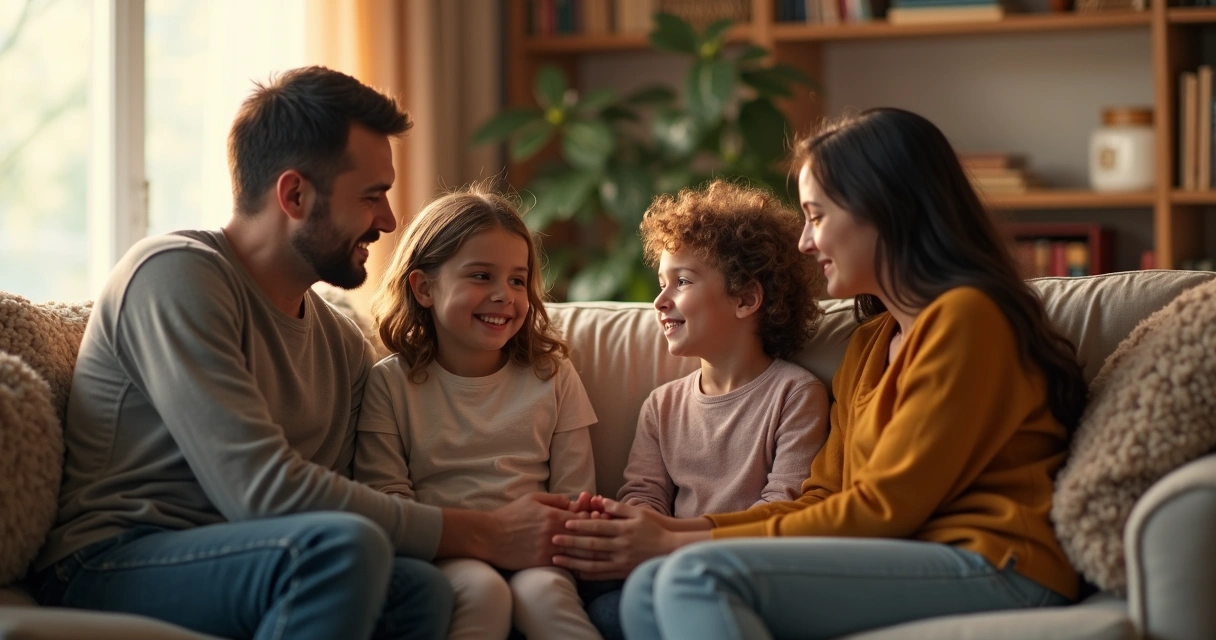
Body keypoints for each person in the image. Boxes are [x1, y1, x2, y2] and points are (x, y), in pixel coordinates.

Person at [29, 66, 577, 640]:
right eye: (372, 196)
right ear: (294, 194)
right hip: (112, 560)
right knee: (342, 549)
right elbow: (263, 492)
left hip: (267, 559)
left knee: (421, 588)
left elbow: (349, 498)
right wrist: (484, 531)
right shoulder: (175, 275)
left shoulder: (341, 346)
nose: (389, 222)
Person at [554, 107, 1089, 640]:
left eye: (817, 215)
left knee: (692, 576)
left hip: (997, 562)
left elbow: (882, 509)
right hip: (911, 555)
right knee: (651, 586)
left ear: (884, 211)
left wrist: (679, 542)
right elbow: (822, 499)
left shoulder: (968, 319)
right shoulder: (870, 343)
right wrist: (673, 528)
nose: (806, 242)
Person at [580, 180, 830, 639]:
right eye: (661, 284)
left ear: (745, 299)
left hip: (743, 567)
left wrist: (672, 537)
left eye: (682, 281)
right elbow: (644, 493)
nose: (660, 301)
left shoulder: (796, 395)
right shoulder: (663, 405)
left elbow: (785, 508)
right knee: (602, 607)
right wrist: (628, 522)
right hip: (664, 562)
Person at [355, 184, 602, 640]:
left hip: (539, 554)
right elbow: (386, 499)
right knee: (482, 591)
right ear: (424, 287)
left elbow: (575, 494)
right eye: (481, 276)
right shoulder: (390, 383)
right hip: (443, 554)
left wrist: (549, 540)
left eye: (516, 279)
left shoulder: (553, 376)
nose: (504, 295)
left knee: (545, 595)